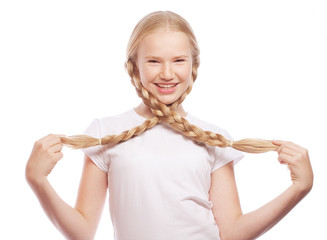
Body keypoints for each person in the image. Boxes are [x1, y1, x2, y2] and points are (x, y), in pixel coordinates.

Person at [25, 11, 313, 240]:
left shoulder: (214, 139)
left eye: (178, 60)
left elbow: (232, 232)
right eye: (153, 60)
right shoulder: (104, 133)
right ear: (134, 65)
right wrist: (37, 181)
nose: (167, 73)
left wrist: (299, 188)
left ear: (193, 65)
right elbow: (83, 232)